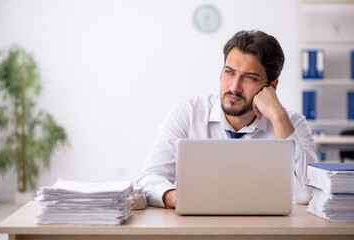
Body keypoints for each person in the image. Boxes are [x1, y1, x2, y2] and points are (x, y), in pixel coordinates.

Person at [136, 30, 318, 209]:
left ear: (272, 86)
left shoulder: (291, 123)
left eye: (249, 77)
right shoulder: (188, 113)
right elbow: (149, 179)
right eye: (229, 72)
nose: (234, 87)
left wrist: (278, 116)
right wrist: (177, 198)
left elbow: (308, 194)